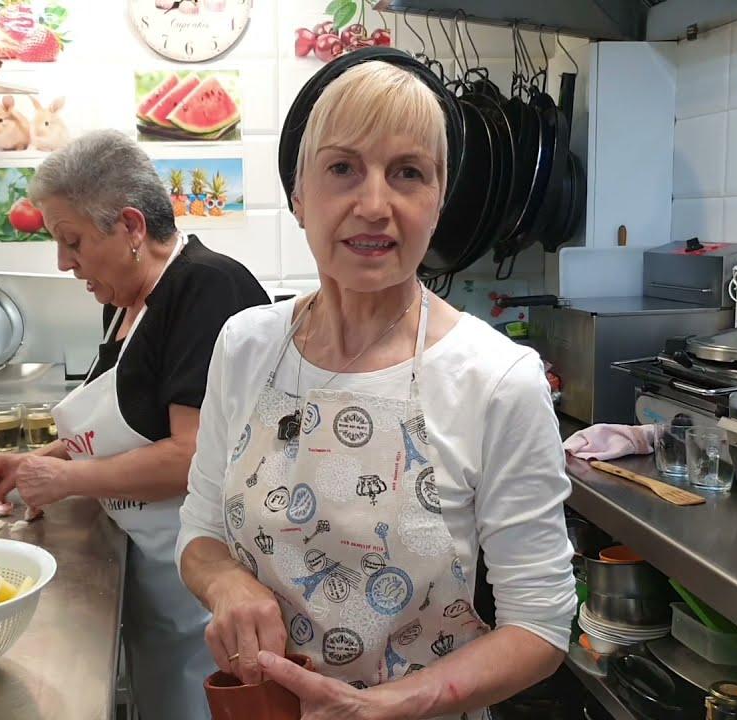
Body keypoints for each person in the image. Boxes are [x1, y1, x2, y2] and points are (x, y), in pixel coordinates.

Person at [177, 49, 577, 720]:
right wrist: (225, 583)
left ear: (438, 200)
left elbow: (539, 625)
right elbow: (200, 528)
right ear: (299, 196)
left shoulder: (496, 378)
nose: (374, 204)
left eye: (408, 173)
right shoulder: (246, 346)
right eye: (342, 169)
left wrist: (399, 702)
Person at [0, 129, 270, 720]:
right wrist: (45, 459)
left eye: (72, 240)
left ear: (132, 227)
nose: (63, 261)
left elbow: (190, 456)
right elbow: (129, 423)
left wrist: (69, 482)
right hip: (154, 569)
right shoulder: (125, 302)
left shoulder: (203, 288)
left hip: (210, 582)